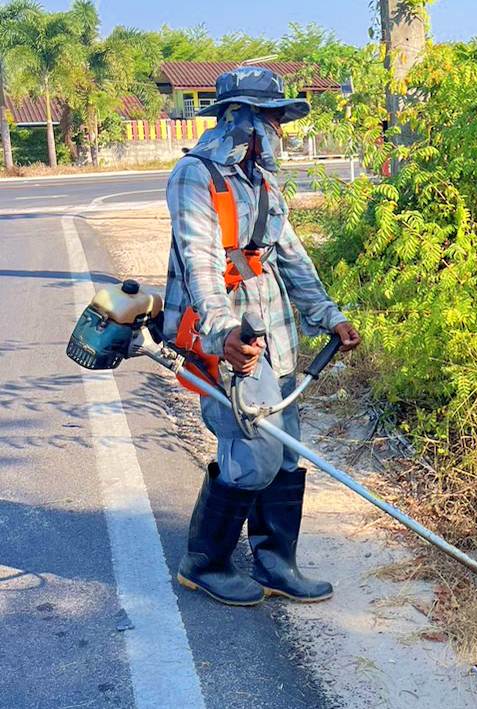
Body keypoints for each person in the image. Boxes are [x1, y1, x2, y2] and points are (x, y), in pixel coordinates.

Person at [162, 67, 361, 606]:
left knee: (285, 453)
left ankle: (276, 564)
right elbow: (200, 263)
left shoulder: (265, 178)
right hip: (227, 338)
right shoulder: (194, 176)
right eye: (272, 117)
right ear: (240, 120)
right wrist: (223, 329)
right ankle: (205, 562)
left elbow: (290, 255)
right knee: (251, 454)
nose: (280, 128)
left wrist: (327, 314)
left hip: (277, 334)